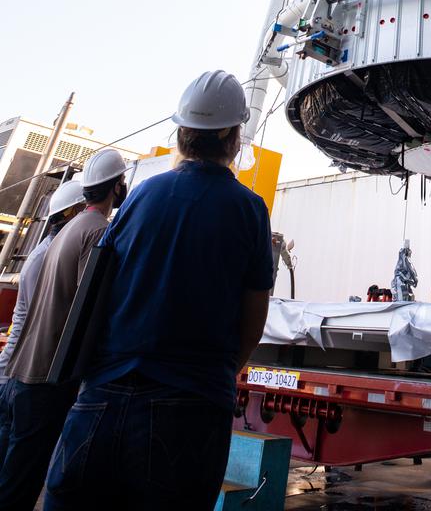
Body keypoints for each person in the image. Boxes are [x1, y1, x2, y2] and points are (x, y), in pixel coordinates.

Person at [44, 70, 274, 511]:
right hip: (189, 409)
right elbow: (253, 321)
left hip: (101, 399)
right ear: (234, 135)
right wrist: (217, 373)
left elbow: (102, 285)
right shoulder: (249, 209)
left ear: (182, 132)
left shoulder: (141, 195)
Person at [0, 150, 128, 510]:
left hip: (24, 375)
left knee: (14, 477)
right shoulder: (97, 231)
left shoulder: (65, 232)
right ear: (116, 187)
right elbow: (91, 305)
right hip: (46, 380)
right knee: (22, 484)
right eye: (122, 182)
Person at [0, 180, 86, 468]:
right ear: (71, 212)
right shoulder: (46, 257)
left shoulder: (50, 251)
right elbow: (33, 323)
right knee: (15, 468)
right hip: (19, 377)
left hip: (19, 374)